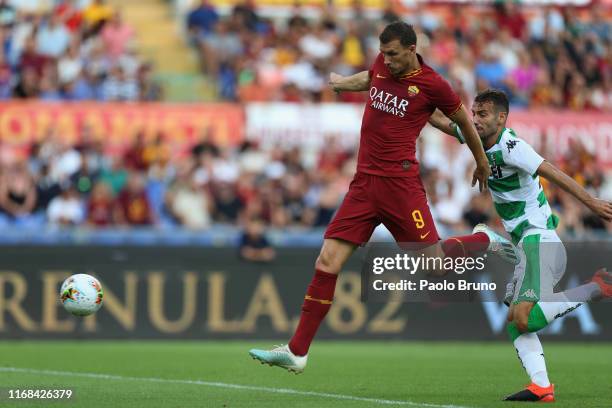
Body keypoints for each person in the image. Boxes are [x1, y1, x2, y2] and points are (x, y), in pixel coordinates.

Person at [249, 22, 514, 374]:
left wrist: (481, 161)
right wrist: (343, 83)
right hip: (363, 185)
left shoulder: (433, 84)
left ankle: (485, 238)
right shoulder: (381, 64)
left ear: (410, 48)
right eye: (383, 53)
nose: (386, 60)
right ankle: (298, 352)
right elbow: (371, 77)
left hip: (400, 186)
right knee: (326, 262)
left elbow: (463, 121)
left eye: (392, 54)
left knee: (434, 267)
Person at [428, 88, 612, 402]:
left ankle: (595, 288)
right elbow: (438, 120)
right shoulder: (472, 135)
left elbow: (552, 173)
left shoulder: (512, 146)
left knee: (523, 317)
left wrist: (591, 203)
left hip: (539, 238)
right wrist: (407, 91)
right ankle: (541, 385)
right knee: (514, 319)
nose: (476, 119)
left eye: (483, 114)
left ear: (502, 118)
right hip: (524, 244)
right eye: (474, 113)